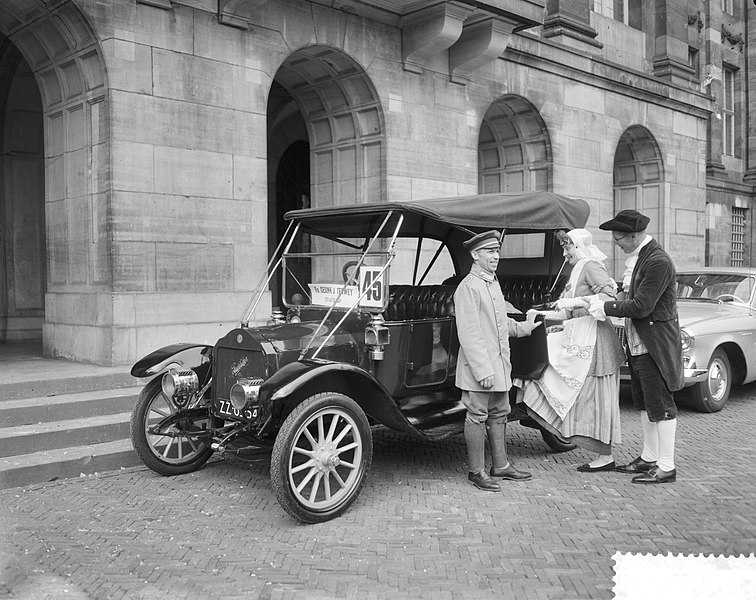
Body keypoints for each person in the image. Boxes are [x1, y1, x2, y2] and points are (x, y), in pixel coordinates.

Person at [588, 209, 683, 484]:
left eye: (619, 239)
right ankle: (649, 457)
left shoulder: (657, 261)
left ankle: (666, 465)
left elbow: (641, 306)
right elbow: (629, 295)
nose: (616, 243)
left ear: (633, 235)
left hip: (654, 346)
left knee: (662, 405)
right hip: (639, 344)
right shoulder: (641, 258)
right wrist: (608, 294)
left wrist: (605, 306)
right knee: (644, 403)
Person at [522, 229, 626, 472]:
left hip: (596, 341)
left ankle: (605, 457)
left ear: (578, 247)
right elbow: (566, 312)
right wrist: (543, 314)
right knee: (585, 397)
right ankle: (598, 452)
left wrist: (576, 302)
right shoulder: (576, 270)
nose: (564, 252)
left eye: (567, 247)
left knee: (597, 397)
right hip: (581, 337)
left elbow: (610, 295)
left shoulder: (590, 266)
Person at [454, 230, 542, 491]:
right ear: (475, 255)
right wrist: (483, 370)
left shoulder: (491, 283)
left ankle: (501, 465)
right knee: (477, 416)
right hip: (481, 368)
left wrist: (524, 328)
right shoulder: (468, 287)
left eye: (497, 251)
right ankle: (476, 471)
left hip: (499, 366)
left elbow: (500, 322)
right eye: (490, 252)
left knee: (500, 414)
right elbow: (469, 334)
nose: (496, 256)